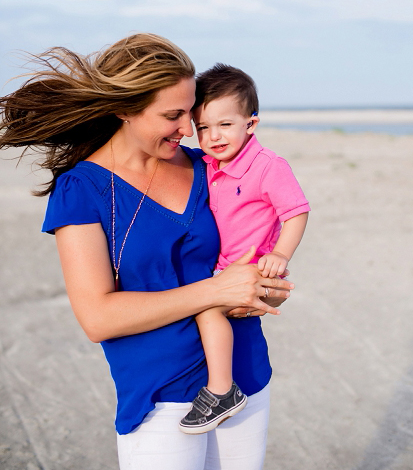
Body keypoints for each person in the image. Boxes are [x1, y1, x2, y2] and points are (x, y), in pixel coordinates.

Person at [0, 34, 293, 470]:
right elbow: (97, 318)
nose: (189, 130)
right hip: (161, 397)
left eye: (190, 114)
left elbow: (251, 246)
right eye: (173, 116)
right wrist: (217, 291)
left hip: (243, 374)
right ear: (125, 109)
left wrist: (264, 286)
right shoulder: (82, 190)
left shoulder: (205, 167)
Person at [180, 64, 310, 433]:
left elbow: (296, 212)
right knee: (211, 310)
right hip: (224, 268)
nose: (212, 136)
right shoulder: (207, 165)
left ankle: (222, 390)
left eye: (224, 124)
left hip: (255, 266)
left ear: (250, 124)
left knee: (206, 309)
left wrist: (281, 255)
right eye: (202, 127)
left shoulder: (268, 166)